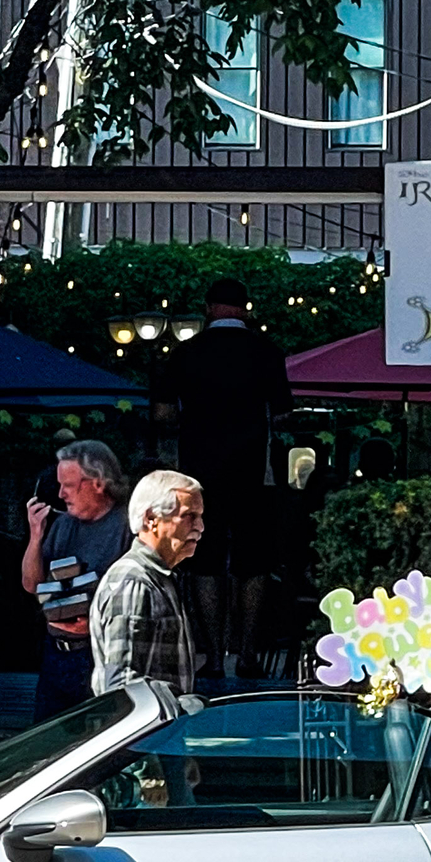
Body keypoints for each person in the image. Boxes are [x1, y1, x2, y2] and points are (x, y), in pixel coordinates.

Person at [161, 277, 290, 676]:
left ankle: (214, 657)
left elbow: (163, 415)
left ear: (208, 308)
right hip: (253, 472)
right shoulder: (267, 353)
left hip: (198, 474)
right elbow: (283, 415)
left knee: (204, 563)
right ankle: (248, 653)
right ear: (245, 309)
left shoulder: (185, 354)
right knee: (253, 564)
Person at [22, 440, 132, 722]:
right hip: (56, 657)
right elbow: (31, 585)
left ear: (97, 483)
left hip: (100, 657)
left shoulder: (127, 526)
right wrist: (36, 536)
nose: (61, 494)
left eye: (68, 485)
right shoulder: (63, 525)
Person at [91, 469, 205, 695]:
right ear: (151, 519)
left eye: (200, 517)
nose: (200, 527)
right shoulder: (135, 583)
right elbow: (122, 687)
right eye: (189, 516)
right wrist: (182, 705)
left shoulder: (157, 578)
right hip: (149, 730)